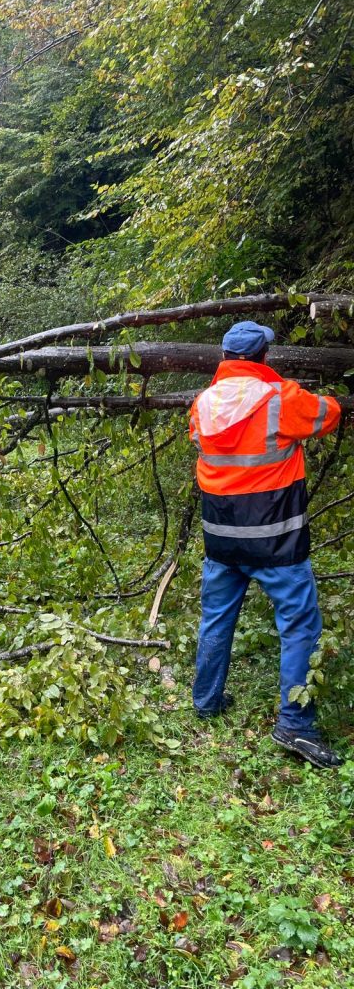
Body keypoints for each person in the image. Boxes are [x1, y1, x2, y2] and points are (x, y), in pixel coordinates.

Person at [189, 320, 342, 768]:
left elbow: (204, 443)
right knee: (299, 627)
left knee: (216, 620)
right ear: (262, 357)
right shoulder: (281, 399)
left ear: (225, 357)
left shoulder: (202, 404)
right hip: (276, 542)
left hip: (221, 539)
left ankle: (207, 701)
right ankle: (295, 725)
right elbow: (328, 414)